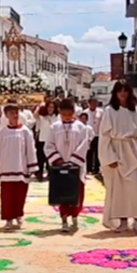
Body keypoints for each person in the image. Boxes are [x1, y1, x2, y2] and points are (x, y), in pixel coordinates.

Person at [98, 80, 137, 234]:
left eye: (125, 90)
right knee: (120, 190)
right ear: (115, 93)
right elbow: (104, 136)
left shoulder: (136, 111)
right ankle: (122, 220)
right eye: (120, 90)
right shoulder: (109, 111)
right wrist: (109, 157)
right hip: (118, 152)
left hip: (134, 152)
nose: (123, 93)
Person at [0, 104, 38, 230]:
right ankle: (8, 219)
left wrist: (31, 166)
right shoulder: (2, 132)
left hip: (21, 167)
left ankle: (18, 215)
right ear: (6, 115)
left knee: (20, 194)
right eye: (11, 113)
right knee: (7, 196)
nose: (15, 115)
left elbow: (31, 149)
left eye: (16, 112)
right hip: (6, 168)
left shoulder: (26, 131)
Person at [46, 99, 90, 232]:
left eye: (68, 113)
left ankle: (75, 215)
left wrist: (73, 161)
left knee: (77, 191)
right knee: (62, 192)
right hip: (60, 165)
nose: (66, 116)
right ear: (59, 112)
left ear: (72, 112)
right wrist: (59, 161)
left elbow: (84, 144)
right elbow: (48, 145)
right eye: (63, 114)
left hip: (76, 166)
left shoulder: (81, 127)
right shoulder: (54, 127)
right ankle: (64, 218)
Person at [83, 98, 104, 174]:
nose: (94, 105)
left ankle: (96, 168)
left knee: (98, 152)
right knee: (89, 152)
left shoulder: (101, 112)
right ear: (89, 104)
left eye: (95, 103)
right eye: (92, 103)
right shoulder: (85, 112)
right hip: (88, 135)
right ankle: (89, 168)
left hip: (98, 134)